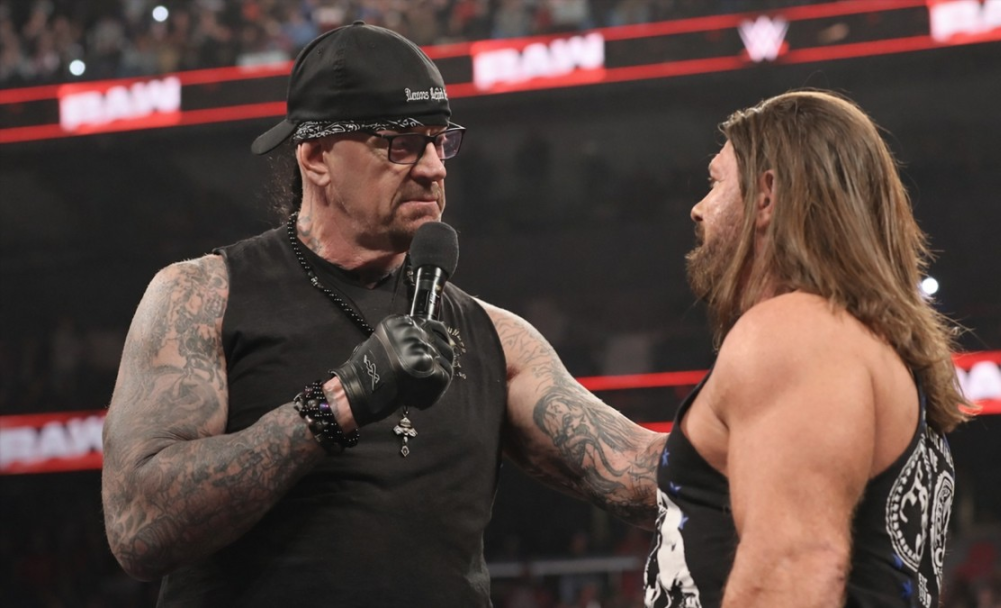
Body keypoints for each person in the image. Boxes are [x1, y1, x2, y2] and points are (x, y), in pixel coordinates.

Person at [101, 22, 666, 607]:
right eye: (401, 143)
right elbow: (139, 526)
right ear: (316, 155)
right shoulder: (203, 297)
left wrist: (734, 386)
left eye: (440, 141)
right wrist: (342, 399)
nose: (433, 167)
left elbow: (635, 471)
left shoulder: (495, 337)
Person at [642, 90, 973, 608]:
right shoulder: (854, 346)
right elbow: (686, 476)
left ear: (766, 195)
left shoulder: (797, 333)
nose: (698, 209)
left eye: (716, 182)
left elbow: (791, 569)